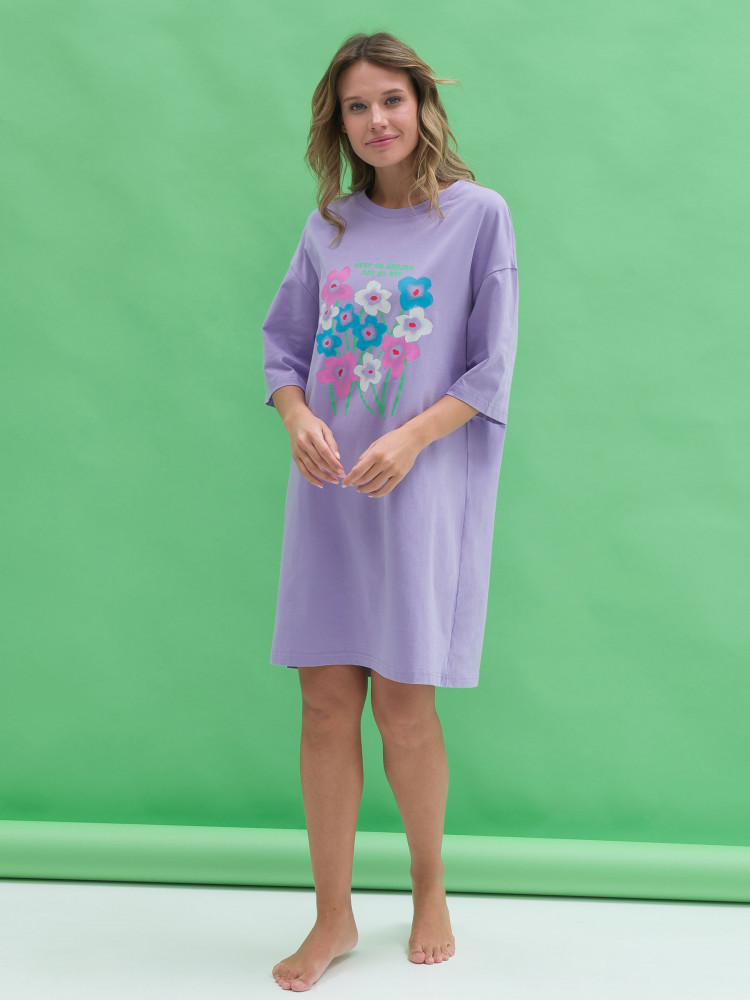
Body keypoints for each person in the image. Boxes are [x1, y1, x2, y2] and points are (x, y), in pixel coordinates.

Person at [261, 30, 519, 993]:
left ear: (423, 106)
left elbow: (490, 368)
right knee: (325, 705)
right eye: (357, 107)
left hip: (418, 494)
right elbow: (283, 349)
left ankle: (428, 886)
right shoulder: (328, 226)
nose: (376, 120)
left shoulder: (478, 217)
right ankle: (332, 915)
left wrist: (410, 440)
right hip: (328, 494)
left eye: (391, 100)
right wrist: (297, 418)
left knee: (405, 708)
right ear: (340, 124)